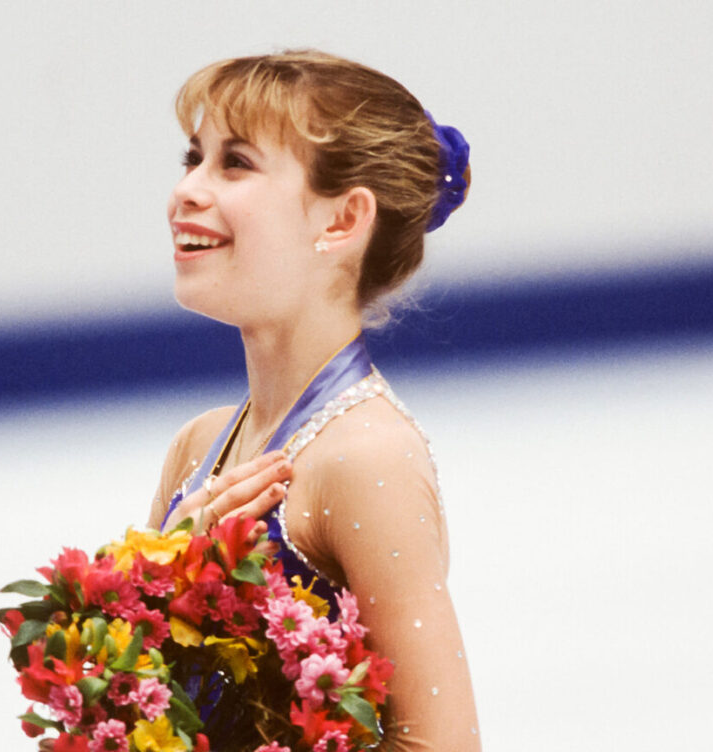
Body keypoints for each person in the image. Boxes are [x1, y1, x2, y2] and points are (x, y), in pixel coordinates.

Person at [146, 50, 480, 751]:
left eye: (234, 163)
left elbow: (441, 744)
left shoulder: (365, 459)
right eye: (192, 158)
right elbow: (144, 712)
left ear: (341, 220)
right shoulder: (196, 448)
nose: (187, 191)